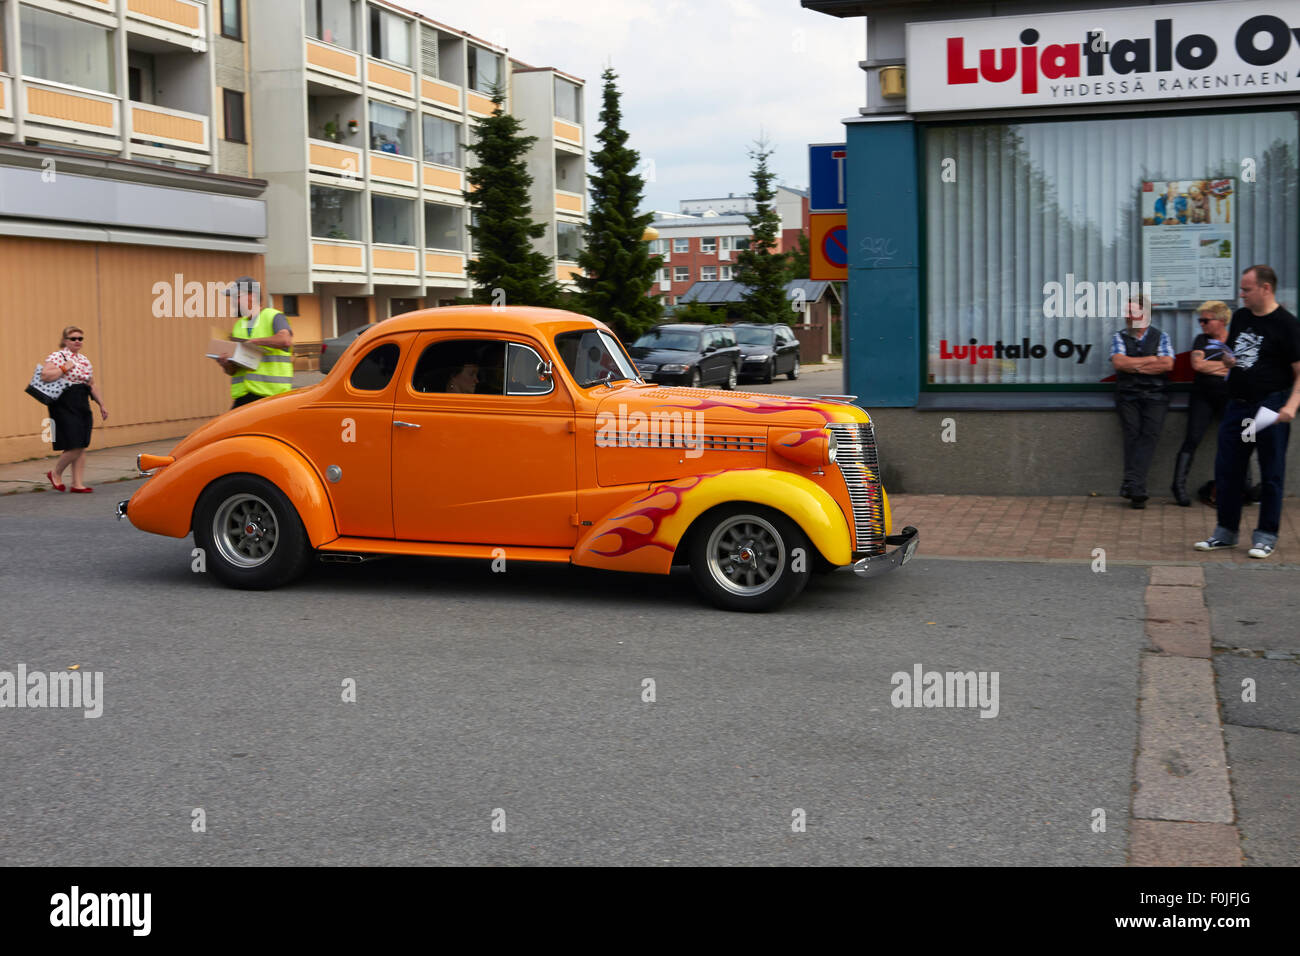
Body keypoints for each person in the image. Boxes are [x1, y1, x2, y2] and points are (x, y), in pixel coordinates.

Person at [1195, 265, 1300, 558]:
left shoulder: (1287, 325)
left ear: (1265, 289)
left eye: (1246, 290)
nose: (1241, 295)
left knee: (1270, 472)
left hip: (1269, 406)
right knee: (1228, 470)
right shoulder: (1241, 317)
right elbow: (1235, 355)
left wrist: (1291, 406)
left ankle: (1266, 536)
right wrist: (1227, 358)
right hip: (1238, 405)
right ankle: (1225, 533)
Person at [1110, 294, 1174, 508]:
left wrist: (1134, 365)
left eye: (1132, 312)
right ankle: (1136, 487)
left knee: (1149, 436)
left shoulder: (1161, 336)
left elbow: (1166, 365)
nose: (1127, 316)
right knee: (1132, 435)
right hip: (1128, 394)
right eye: (1126, 312)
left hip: (1157, 395)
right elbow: (1119, 363)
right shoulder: (1119, 336)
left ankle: (1132, 484)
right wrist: (1149, 360)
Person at [1171, 301, 1231, 505]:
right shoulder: (1201, 340)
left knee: (1238, 441)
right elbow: (1197, 365)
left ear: (1221, 320)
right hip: (1202, 396)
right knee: (1192, 438)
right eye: (1200, 320)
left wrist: (1211, 366)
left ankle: (1243, 487)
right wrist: (1225, 366)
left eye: (1206, 320)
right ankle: (1178, 486)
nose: (1202, 324)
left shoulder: (1236, 340)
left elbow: (1240, 368)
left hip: (1229, 397)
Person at [41, 326, 109, 493]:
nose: (77, 341)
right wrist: (64, 368)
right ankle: (55, 473)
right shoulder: (58, 356)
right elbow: (45, 375)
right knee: (75, 442)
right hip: (64, 402)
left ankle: (77, 484)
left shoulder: (84, 360)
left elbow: (91, 384)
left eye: (80, 338)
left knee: (81, 442)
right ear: (65, 340)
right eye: (73, 338)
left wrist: (101, 404)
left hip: (81, 400)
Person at [215, 277, 293, 408]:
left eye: (237, 297)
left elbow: (285, 340)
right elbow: (233, 371)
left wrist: (255, 342)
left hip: (272, 398)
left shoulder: (273, 316)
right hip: (244, 397)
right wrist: (226, 364)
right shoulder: (239, 326)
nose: (234, 301)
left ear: (253, 296)